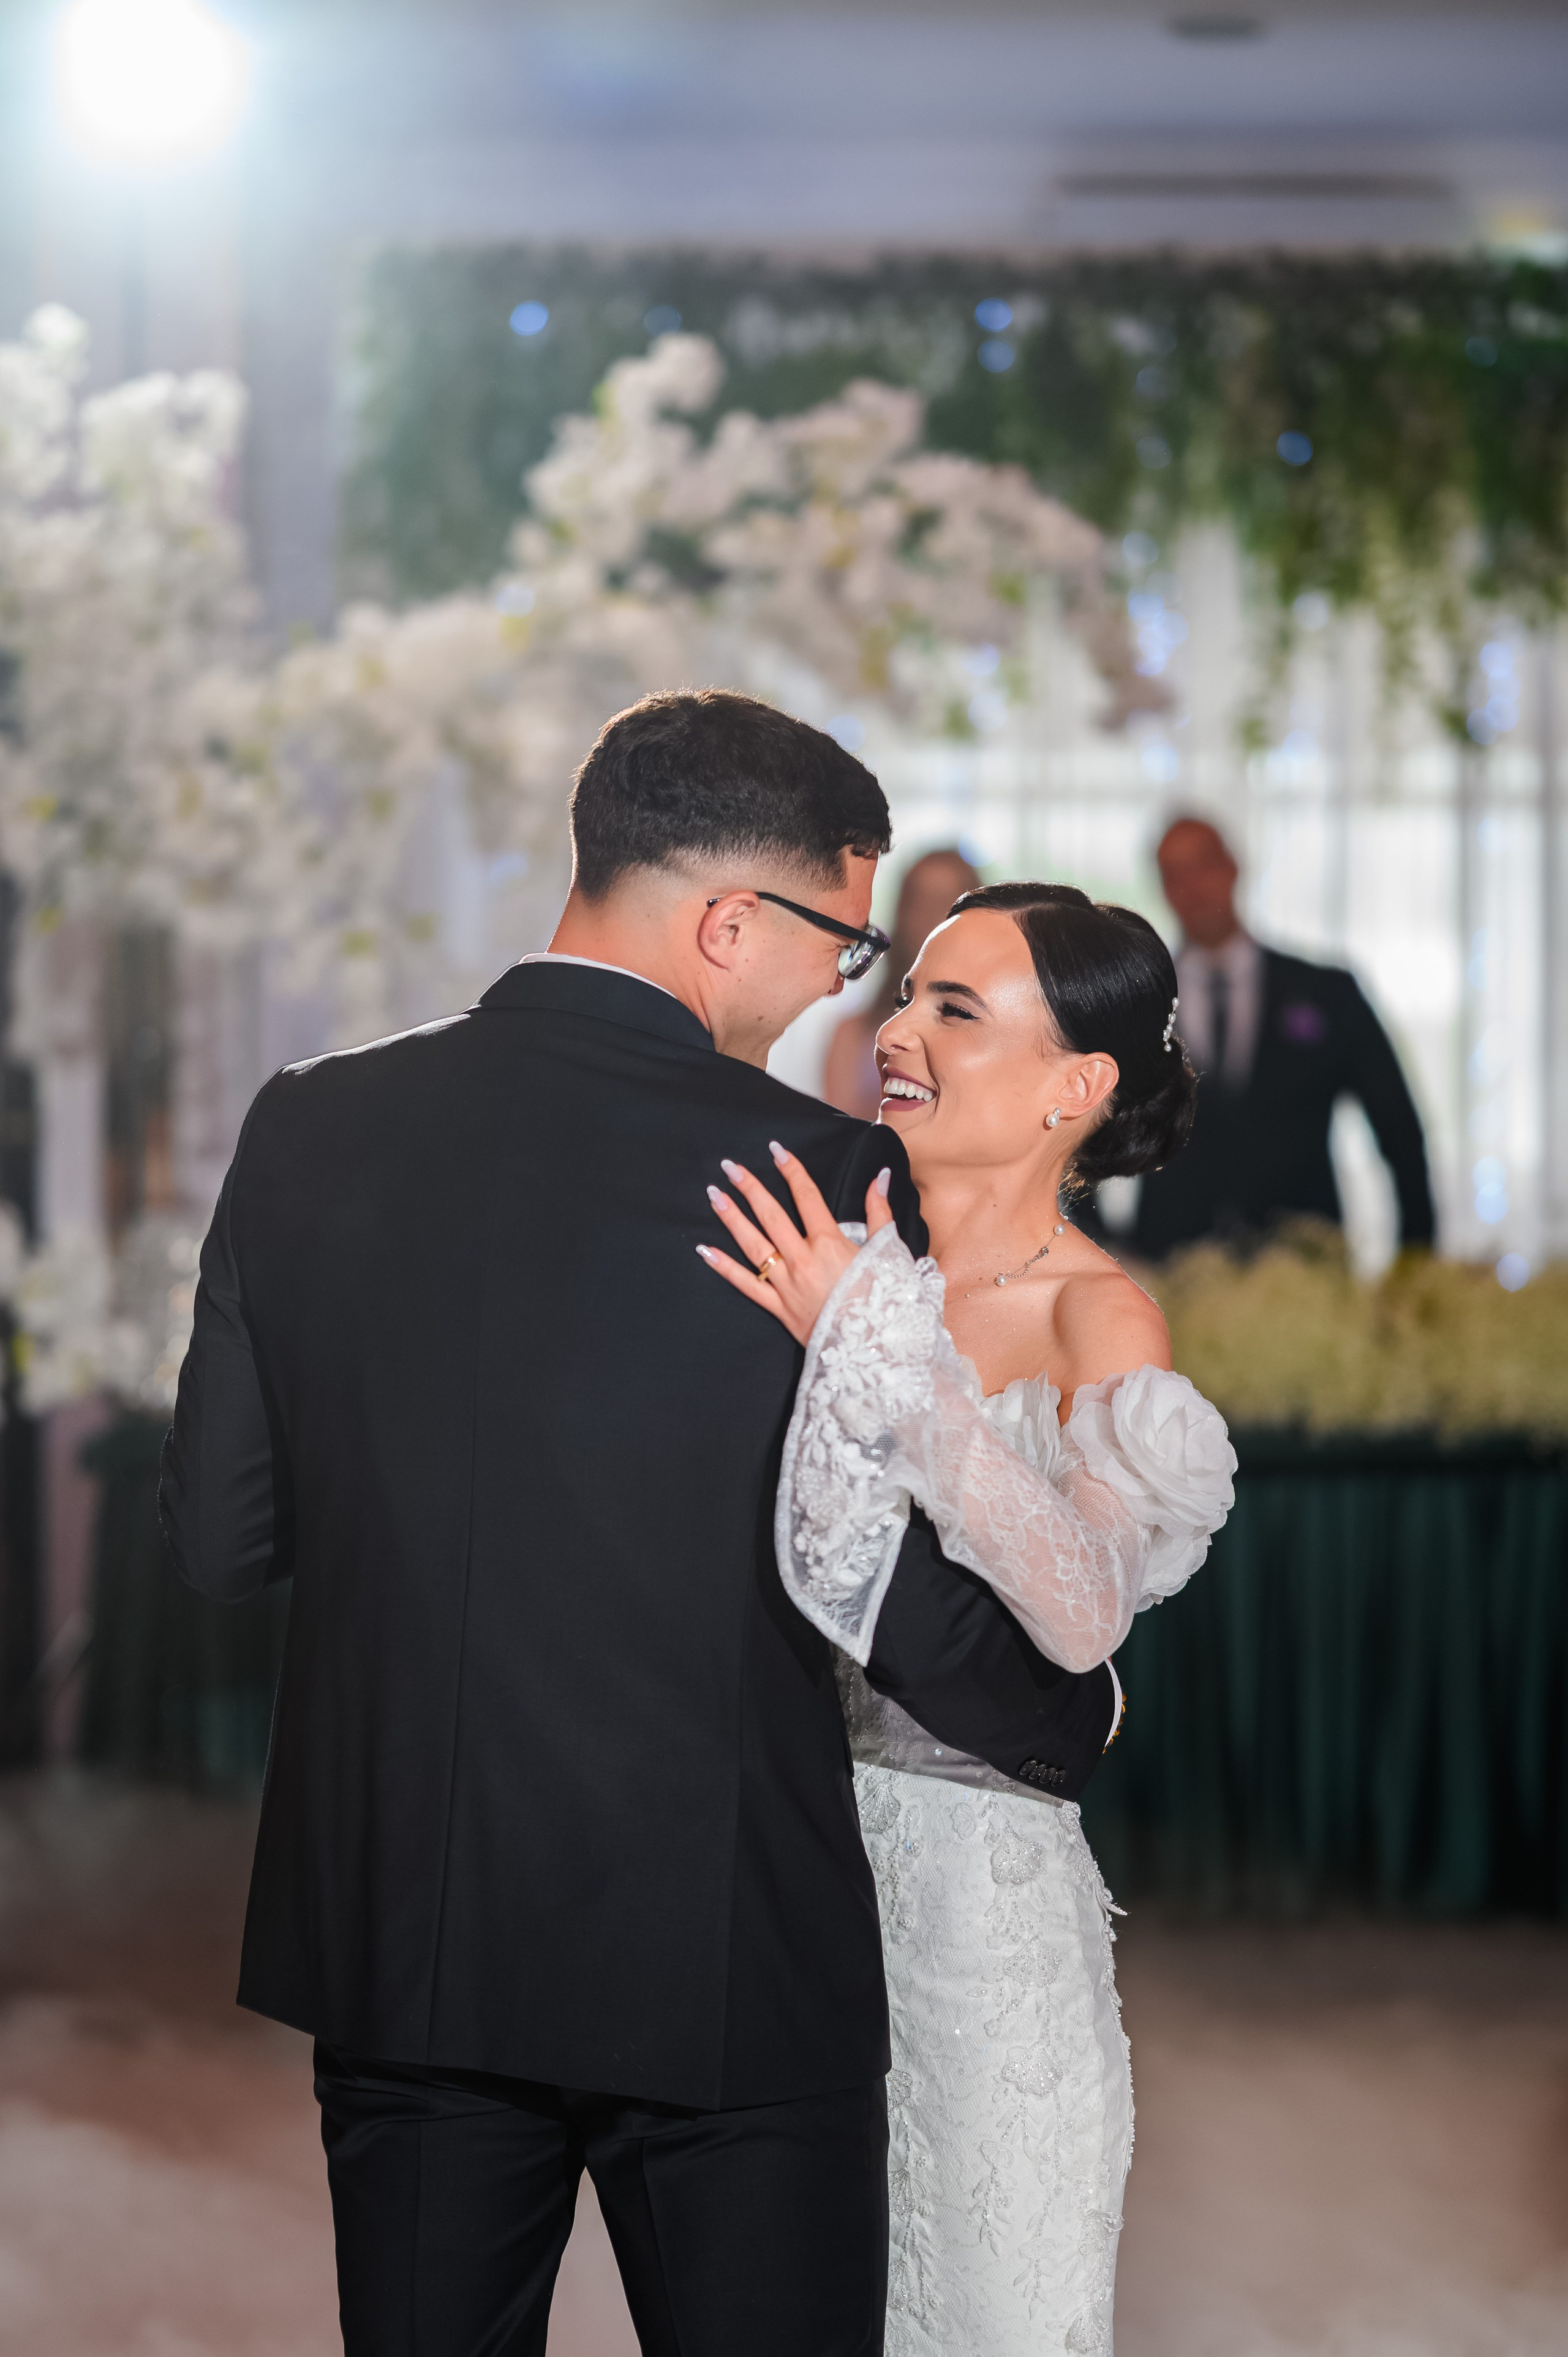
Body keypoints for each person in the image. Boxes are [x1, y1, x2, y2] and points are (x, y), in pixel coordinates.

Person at [157, 691, 1120, 2357]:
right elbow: (909, 1596)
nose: (845, 989)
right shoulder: (825, 1178)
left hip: (409, 1940)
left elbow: (221, 1541)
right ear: (728, 920)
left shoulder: (305, 1124)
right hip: (724, 1954)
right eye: (843, 943)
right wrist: (1063, 1707)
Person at [699, 881, 1237, 2357]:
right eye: (904, 995)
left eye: (955, 1007)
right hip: (772, 1885)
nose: (897, 1032)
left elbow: (1078, 1611)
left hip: (974, 1924)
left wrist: (885, 1364)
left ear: (1076, 1085)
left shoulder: (1093, 1317)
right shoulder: (826, 1249)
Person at [1131, 815, 1435, 1261]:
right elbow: (1070, 1131)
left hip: (1303, 1260)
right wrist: (1105, 1243)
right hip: (1170, 1267)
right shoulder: (1135, 1004)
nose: (1193, 886)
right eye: (1174, 873)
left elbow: (1399, 1130)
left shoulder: (1327, 993)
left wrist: (1416, 1259)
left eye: (1204, 865)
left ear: (1234, 867)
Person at [822, 844, 981, 1117]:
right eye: (920, 900)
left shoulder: (997, 1033)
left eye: (947, 902)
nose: (932, 916)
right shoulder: (852, 1033)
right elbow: (841, 1126)